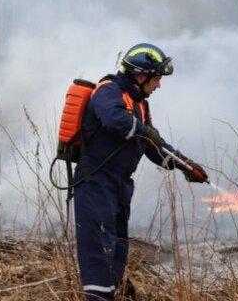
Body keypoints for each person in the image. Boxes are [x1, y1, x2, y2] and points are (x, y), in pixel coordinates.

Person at [74, 43, 209, 300]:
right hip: (95, 183)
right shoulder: (108, 91)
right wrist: (146, 132)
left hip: (119, 185)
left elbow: (152, 147)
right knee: (98, 252)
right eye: (156, 78)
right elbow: (116, 121)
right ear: (140, 75)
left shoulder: (139, 104)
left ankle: (112, 292)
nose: (158, 85)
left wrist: (183, 165)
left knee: (117, 249)